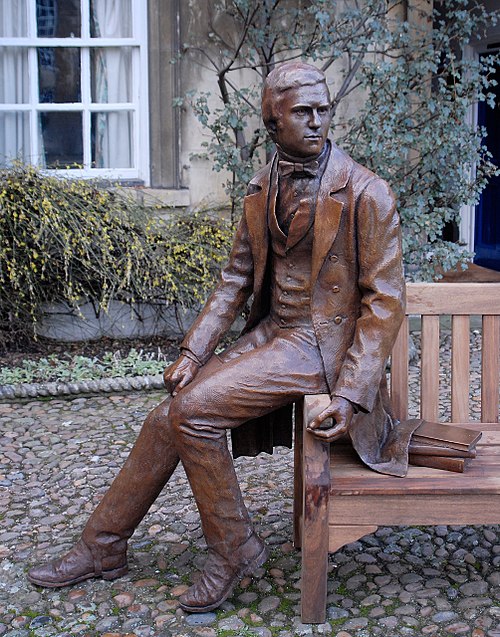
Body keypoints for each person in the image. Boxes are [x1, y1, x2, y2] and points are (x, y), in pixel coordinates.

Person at [28, 62, 417, 613]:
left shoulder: (367, 193)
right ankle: (103, 545)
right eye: (301, 112)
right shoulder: (262, 187)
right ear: (272, 121)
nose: (316, 122)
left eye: (323, 110)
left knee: (193, 413)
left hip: (321, 349)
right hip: (274, 332)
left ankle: (233, 548)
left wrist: (352, 393)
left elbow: (385, 302)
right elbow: (235, 278)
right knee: (165, 416)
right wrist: (193, 352)